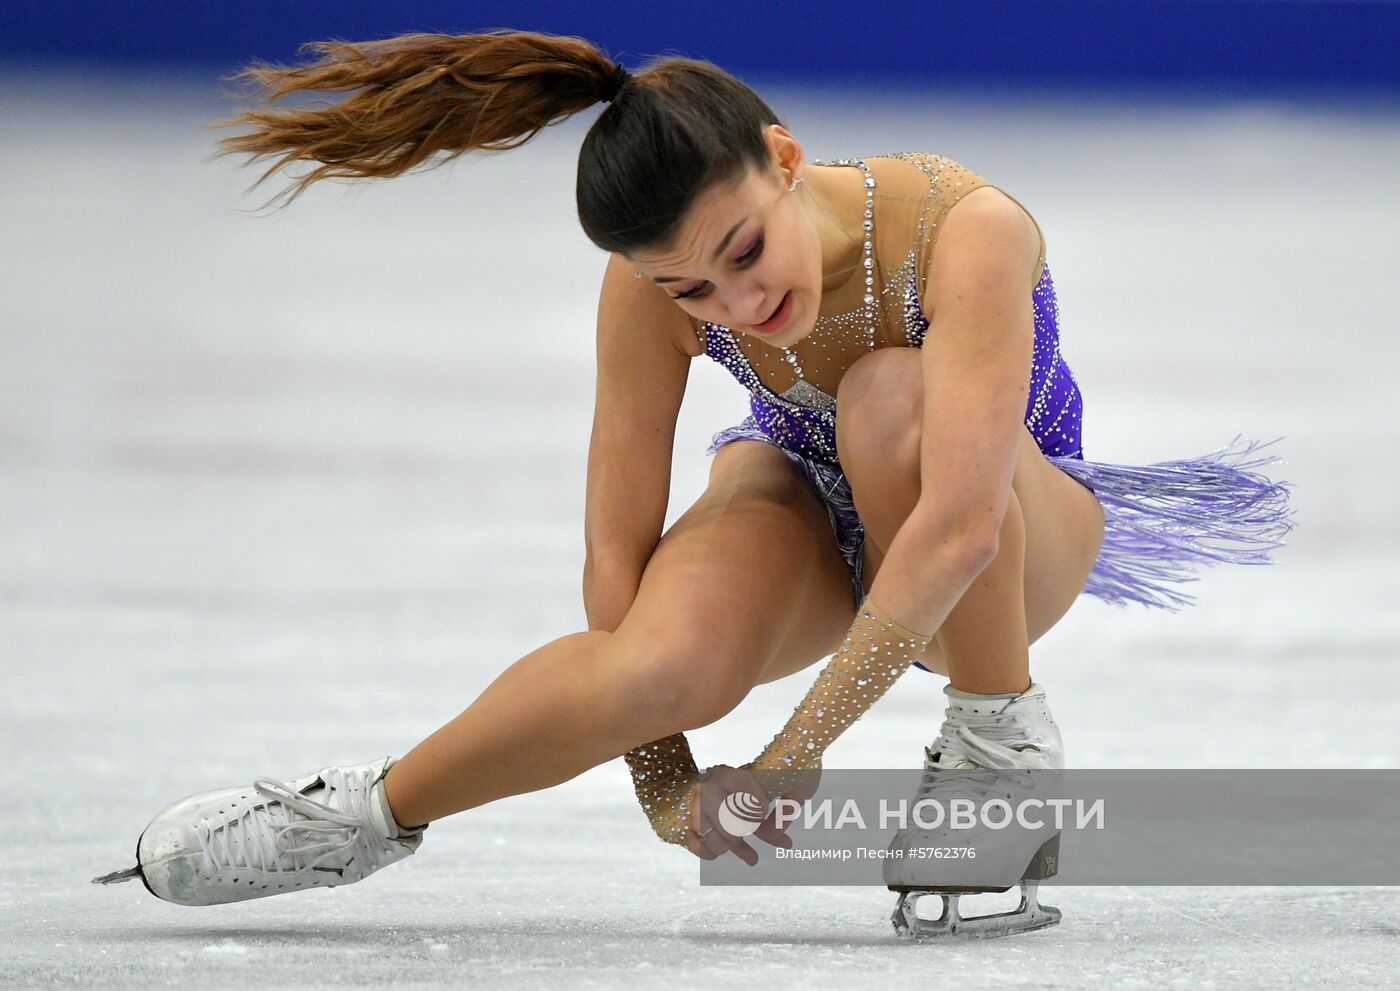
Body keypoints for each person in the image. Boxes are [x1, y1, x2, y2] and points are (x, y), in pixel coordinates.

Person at [92, 29, 1295, 930]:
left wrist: (791, 755)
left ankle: (1000, 754)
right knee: (662, 657)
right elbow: (613, 557)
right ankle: (355, 816)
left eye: (739, 255)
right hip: (810, 511)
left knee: (887, 396)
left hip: (1009, 531)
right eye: (689, 293)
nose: (733, 307)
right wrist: (664, 775)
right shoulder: (646, 288)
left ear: (782, 158)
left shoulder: (959, 228)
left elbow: (961, 523)